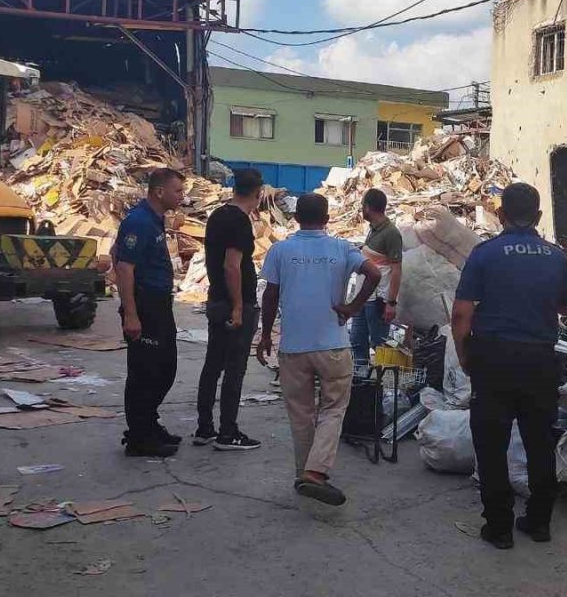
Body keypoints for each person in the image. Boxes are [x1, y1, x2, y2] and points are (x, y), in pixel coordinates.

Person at [451, 183, 567, 549]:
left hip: (492, 360)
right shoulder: (556, 256)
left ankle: (499, 528)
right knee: (539, 442)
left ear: (501, 215)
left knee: (491, 445)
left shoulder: (484, 254)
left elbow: (462, 312)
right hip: (539, 361)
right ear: (538, 217)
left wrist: (465, 356)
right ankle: (539, 522)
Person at [257, 194, 380, 506]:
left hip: (293, 348)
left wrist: (265, 336)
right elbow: (375, 274)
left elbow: (270, 296)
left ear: (296, 218)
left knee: (301, 413)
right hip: (334, 346)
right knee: (334, 408)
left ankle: (305, 473)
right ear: (327, 219)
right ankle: (315, 472)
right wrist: (352, 307)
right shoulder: (341, 248)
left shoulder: (280, 250)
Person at [114, 168, 185, 458]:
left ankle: (148, 422)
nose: (182, 196)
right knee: (145, 372)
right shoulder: (139, 221)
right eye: (177, 191)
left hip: (159, 304)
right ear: (159, 192)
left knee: (165, 368)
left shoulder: (154, 220)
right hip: (144, 305)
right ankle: (139, 437)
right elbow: (123, 267)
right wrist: (131, 314)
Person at [194, 168, 265, 451]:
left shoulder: (217, 216)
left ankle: (204, 427)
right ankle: (228, 432)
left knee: (213, 365)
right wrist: (238, 307)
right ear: (258, 194)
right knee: (235, 369)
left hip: (216, 300)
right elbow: (231, 266)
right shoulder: (239, 222)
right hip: (235, 304)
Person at [349, 188, 403, 364]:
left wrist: (391, 302)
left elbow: (396, 269)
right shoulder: (373, 229)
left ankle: (384, 387)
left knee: (380, 345)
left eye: (363, 205)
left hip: (378, 299)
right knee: (357, 342)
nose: (361, 209)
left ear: (368, 207)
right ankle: (362, 383)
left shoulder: (391, 233)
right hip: (362, 297)